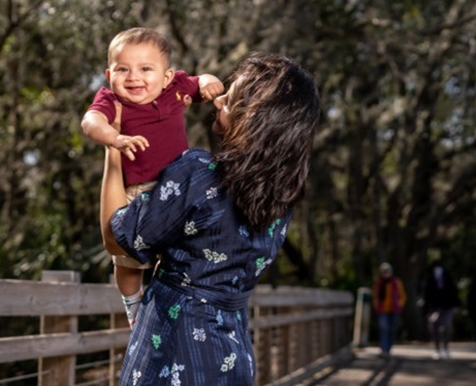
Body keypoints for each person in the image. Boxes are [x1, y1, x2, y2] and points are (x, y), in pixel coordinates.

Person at [100, 52, 320, 384]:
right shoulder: (281, 199)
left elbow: (117, 238)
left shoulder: (198, 174)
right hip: (232, 355)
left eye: (229, 102)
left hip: (174, 351)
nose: (217, 102)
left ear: (254, 120)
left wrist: (113, 144)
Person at [82, 28, 224, 327]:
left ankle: (165, 301)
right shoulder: (113, 101)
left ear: (167, 76)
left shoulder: (175, 90)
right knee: (129, 263)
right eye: (123, 69)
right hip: (137, 193)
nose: (134, 77)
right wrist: (114, 137)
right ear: (109, 75)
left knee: (177, 253)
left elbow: (202, 82)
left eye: (146, 69)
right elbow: (90, 121)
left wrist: (211, 82)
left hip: (179, 191)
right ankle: (132, 305)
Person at [424, 260, 461, 360]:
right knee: (435, 329)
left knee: (447, 326)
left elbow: (454, 292)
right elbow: (427, 296)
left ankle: (446, 348)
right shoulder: (430, 280)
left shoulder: (448, 278)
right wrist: (428, 311)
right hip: (434, 309)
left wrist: (456, 305)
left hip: (447, 308)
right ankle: (437, 350)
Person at [373, 262, 406, 359]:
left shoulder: (396, 282)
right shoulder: (379, 283)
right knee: (384, 329)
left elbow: (402, 296)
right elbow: (376, 296)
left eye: (387, 271)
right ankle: (384, 350)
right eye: (384, 272)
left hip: (394, 309)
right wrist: (376, 306)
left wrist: (400, 305)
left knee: (391, 330)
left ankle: (388, 348)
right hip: (383, 310)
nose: (386, 273)